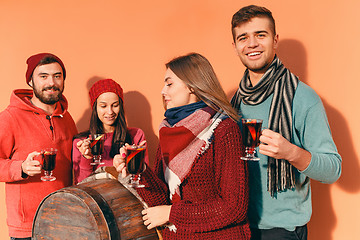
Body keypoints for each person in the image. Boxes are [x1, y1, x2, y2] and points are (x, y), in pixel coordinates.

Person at [230, 5, 342, 240]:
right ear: (235, 47)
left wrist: (291, 152)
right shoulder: (233, 101)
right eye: (243, 38)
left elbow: (333, 169)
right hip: (236, 226)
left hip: (281, 231)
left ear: (275, 40)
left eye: (260, 35)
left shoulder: (302, 97)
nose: (252, 44)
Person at [114, 53, 251, 239]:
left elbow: (233, 207)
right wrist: (139, 170)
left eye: (169, 84)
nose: (163, 91)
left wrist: (171, 214)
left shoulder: (224, 130)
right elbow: (161, 200)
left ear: (192, 87)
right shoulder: (169, 131)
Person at [0, 53, 78, 239]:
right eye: (43, 76)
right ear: (30, 81)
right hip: (28, 228)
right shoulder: (10, 118)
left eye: (57, 76)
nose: (51, 82)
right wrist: (20, 167)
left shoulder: (67, 118)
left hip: (66, 221)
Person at [73, 78, 148, 184]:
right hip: (96, 198)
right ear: (95, 108)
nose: (110, 111)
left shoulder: (136, 135)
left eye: (115, 105)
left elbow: (145, 180)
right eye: (103, 106)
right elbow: (81, 186)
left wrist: (129, 164)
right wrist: (87, 158)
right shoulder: (81, 142)